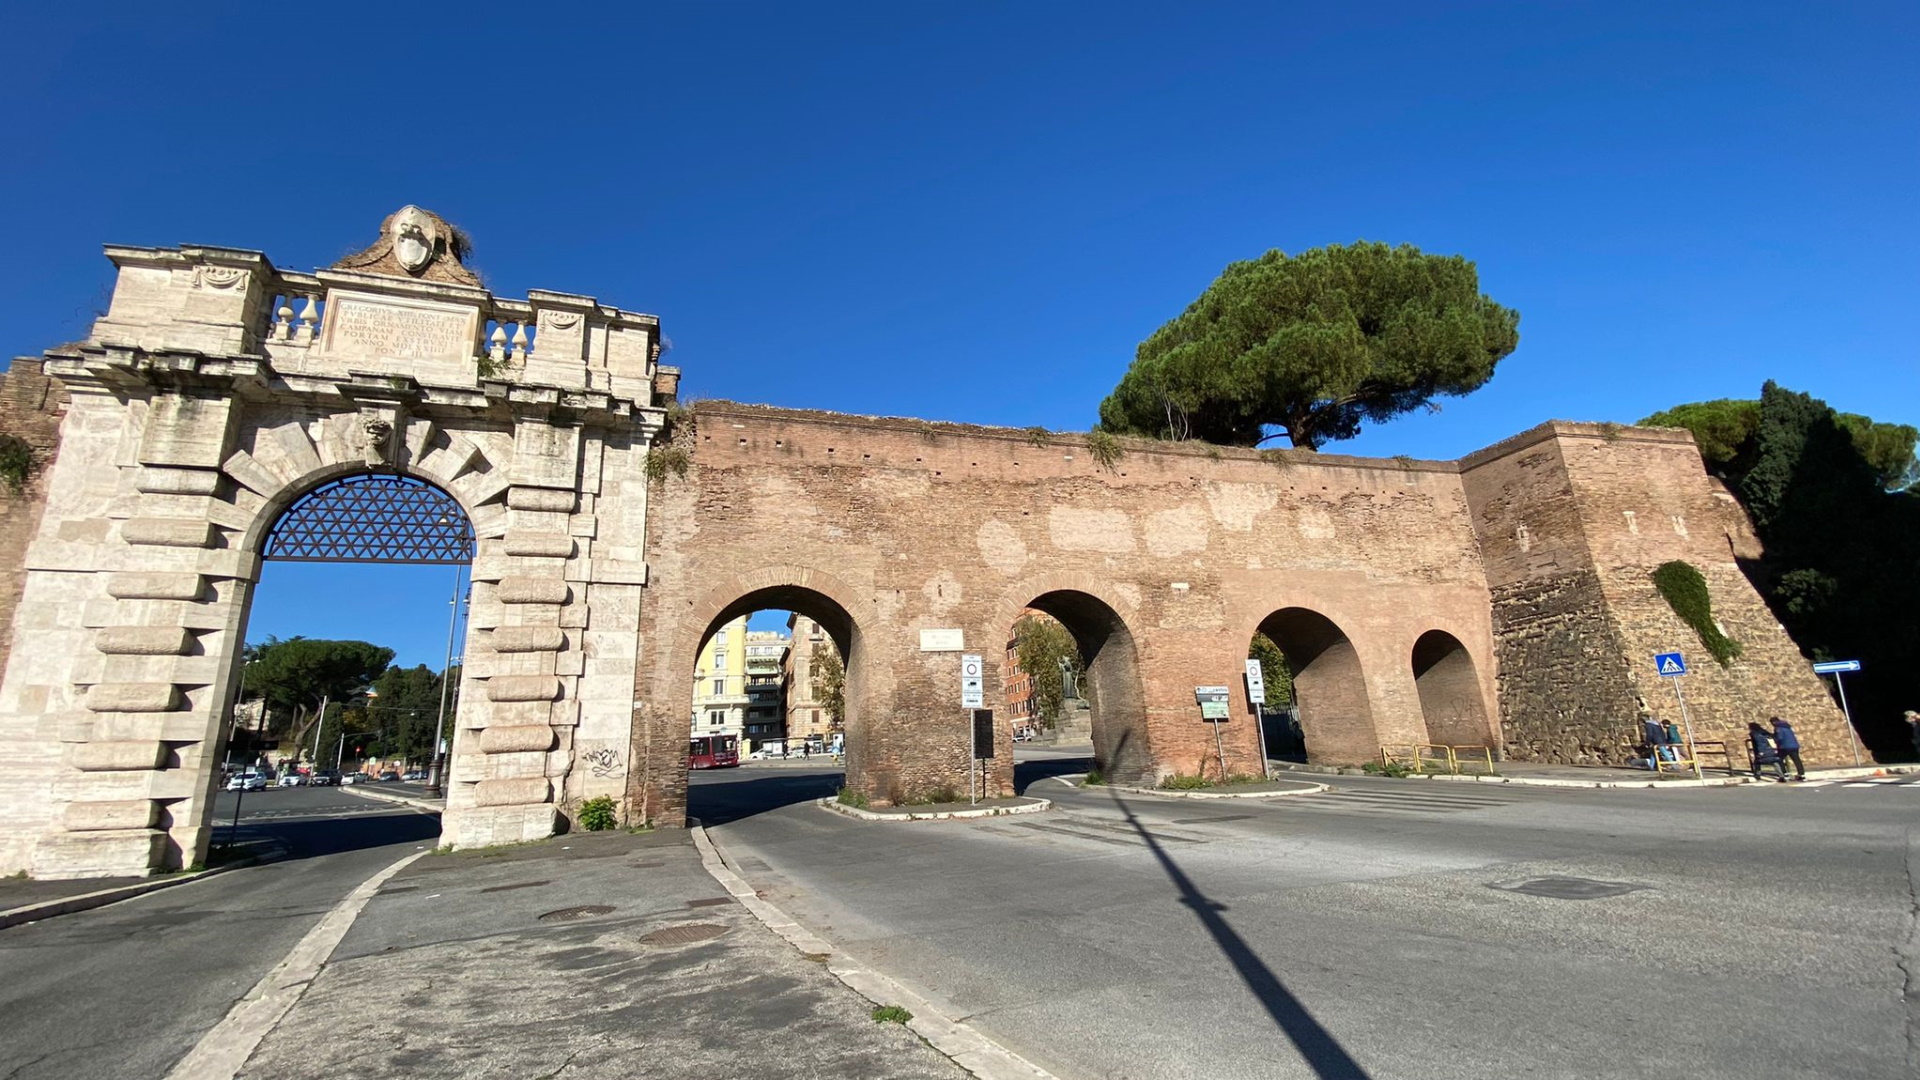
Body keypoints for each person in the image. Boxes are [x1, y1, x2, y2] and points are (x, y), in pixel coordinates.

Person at [1770, 716, 1805, 781]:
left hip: (1785, 746)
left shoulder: (1778, 728)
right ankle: (1801, 774)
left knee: (1779, 759)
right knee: (1797, 760)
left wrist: (1774, 739)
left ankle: (1785, 773)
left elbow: (1780, 737)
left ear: (1773, 722)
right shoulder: (1787, 726)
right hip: (1794, 745)